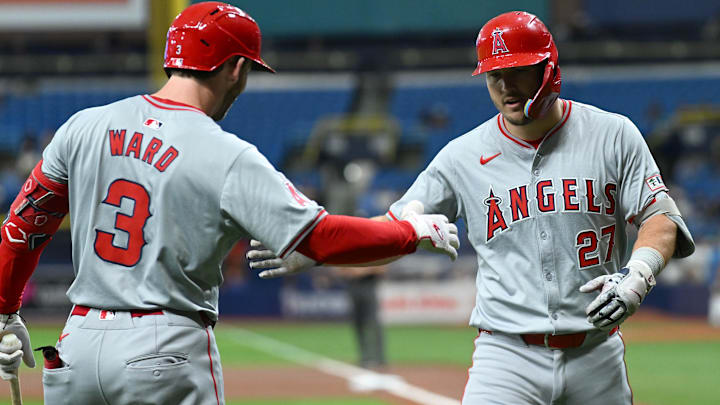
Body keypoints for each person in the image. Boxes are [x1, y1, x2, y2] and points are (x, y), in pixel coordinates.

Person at [0, 3, 460, 405]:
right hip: (164, 349)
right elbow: (321, 239)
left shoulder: (83, 126)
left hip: (75, 346)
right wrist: (408, 232)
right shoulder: (225, 153)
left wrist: (5, 309)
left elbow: (21, 230)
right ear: (235, 68)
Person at [248, 11, 695, 405]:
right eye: (493, 74)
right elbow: (396, 226)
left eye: (517, 70)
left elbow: (661, 217)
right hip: (507, 357)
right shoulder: (462, 156)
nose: (504, 86)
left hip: (596, 354)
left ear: (549, 69)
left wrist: (637, 276)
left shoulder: (613, 134)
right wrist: (322, 248)